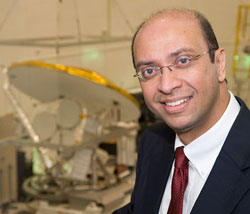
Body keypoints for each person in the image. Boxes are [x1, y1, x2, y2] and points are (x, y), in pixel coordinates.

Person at [113, 8, 250, 214]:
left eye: (183, 61)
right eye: (149, 71)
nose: (167, 85)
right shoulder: (154, 142)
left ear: (220, 63)